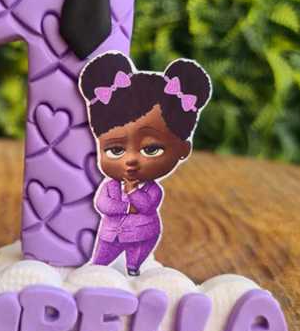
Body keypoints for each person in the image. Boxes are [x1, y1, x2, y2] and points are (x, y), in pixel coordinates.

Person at [78, 51, 212, 275]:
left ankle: (133, 269)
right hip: (109, 234)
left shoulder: (153, 190)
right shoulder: (110, 186)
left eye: (151, 149)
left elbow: (148, 206)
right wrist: (126, 207)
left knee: (135, 260)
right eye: (115, 150)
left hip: (143, 234)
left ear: (183, 149)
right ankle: (96, 269)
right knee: (98, 264)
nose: (131, 160)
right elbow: (103, 204)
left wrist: (132, 194)